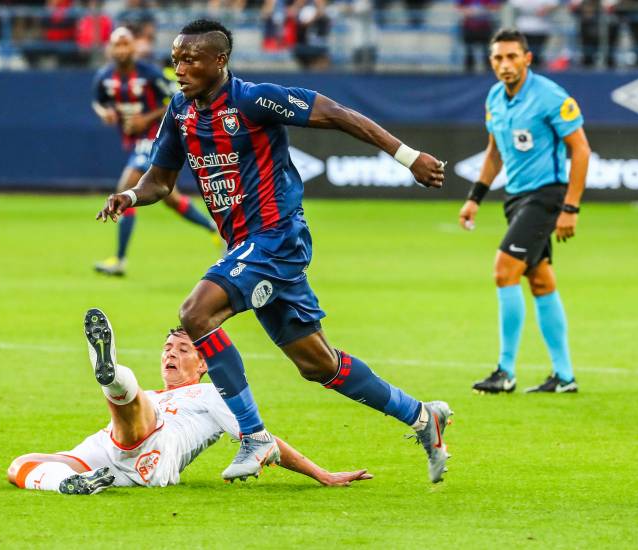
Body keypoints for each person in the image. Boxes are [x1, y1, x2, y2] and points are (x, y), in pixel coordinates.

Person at [97, 19, 453, 483]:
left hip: (276, 237)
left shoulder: (253, 99)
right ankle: (423, 417)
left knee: (196, 313)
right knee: (317, 363)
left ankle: (254, 436)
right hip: (247, 246)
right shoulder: (181, 112)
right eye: (176, 58)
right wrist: (130, 197)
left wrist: (408, 157)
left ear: (219, 61)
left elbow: (340, 114)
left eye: (190, 59)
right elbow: (160, 181)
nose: (179, 68)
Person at [8, 309, 374, 493]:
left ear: (203, 364)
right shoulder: (154, 394)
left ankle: (113, 376)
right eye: (167, 348)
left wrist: (321, 475)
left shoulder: (213, 393)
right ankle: (70, 485)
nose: (171, 353)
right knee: (21, 464)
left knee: (134, 407)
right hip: (109, 453)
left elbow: (263, 440)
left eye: (183, 349)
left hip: (155, 449)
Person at [459, 28, 591, 394]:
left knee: (504, 271)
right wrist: (475, 197)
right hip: (515, 199)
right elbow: (494, 152)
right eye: (498, 58)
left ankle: (505, 370)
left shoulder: (550, 96)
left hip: (546, 195)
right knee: (541, 281)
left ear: (527, 58)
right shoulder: (494, 99)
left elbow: (580, 150)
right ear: (491, 62)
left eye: (512, 56)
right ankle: (564, 377)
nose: (505, 64)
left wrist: (570, 207)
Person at [92, 26, 218, 277]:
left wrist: (145, 119)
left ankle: (119, 260)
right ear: (110, 49)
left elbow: (177, 100)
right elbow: (98, 101)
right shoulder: (104, 77)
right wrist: (104, 113)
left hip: (157, 136)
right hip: (136, 140)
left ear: (134, 47)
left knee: (127, 185)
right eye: (117, 45)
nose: (122, 49)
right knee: (170, 198)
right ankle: (214, 227)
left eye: (126, 43)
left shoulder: (150, 73)